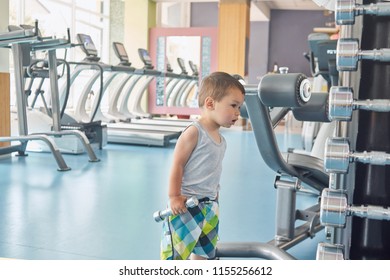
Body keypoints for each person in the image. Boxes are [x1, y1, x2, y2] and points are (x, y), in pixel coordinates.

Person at [160, 71, 245, 260]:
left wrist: (215, 199)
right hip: (186, 206)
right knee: (175, 257)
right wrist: (174, 196)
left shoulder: (221, 140)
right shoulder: (193, 132)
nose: (238, 112)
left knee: (204, 254)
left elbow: (213, 173)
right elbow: (177, 164)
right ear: (210, 103)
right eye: (233, 105)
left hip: (210, 207)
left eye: (239, 107)